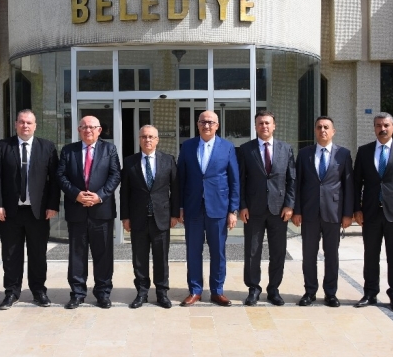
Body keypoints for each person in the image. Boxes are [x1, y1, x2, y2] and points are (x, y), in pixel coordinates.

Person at [0, 109, 60, 310]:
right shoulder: (3, 146)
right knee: (11, 254)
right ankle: (11, 292)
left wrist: (52, 205)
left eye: (29, 122)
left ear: (35, 125)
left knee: (38, 254)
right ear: (16, 124)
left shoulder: (47, 147)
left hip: (37, 212)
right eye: (21, 122)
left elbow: (54, 180)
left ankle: (38, 291)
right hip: (10, 212)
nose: (25, 126)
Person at [353, 112, 393, 312]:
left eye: (386, 125)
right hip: (370, 212)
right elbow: (356, 183)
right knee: (370, 255)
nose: (382, 129)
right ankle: (370, 293)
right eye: (378, 125)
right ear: (374, 128)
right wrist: (357, 208)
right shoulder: (364, 151)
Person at [177, 110, 239, 307]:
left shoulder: (227, 147)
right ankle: (195, 290)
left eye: (211, 122)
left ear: (217, 126)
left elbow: (234, 180)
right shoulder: (187, 146)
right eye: (203, 122)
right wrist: (180, 207)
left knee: (218, 252)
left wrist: (233, 210)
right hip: (193, 207)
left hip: (219, 208)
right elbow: (180, 179)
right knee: (193, 251)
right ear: (197, 124)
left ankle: (217, 291)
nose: (206, 125)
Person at [57, 116, 121, 309]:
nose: (88, 130)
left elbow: (115, 174)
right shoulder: (69, 150)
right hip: (77, 211)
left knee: (103, 255)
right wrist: (76, 194)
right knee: (77, 255)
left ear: (99, 130)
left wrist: (99, 196)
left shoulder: (109, 149)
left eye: (92, 127)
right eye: (84, 127)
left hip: (101, 211)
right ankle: (77, 293)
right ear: (78, 130)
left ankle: (103, 293)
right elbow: (61, 175)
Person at [292, 116, 353, 307]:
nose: (323, 130)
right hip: (309, 212)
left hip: (333, 213)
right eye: (319, 127)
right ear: (315, 131)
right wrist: (297, 210)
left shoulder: (343, 154)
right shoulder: (304, 154)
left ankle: (330, 293)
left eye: (326, 127)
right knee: (309, 255)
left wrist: (347, 214)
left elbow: (348, 186)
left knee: (331, 255)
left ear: (333, 131)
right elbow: (297, 184)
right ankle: (310, 291)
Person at [239, 110, 295, 306]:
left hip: (279, 210)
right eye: (260, 123)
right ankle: (253, 289)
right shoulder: (246, 149)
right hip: (253, 209)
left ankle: (274, 289)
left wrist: (289, 204)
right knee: (252, 251)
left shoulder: (286, 149)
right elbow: (241, 180)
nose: (264, 126)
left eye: (267, 123)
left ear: (274, 126)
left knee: (278, 252)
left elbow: (292, 179)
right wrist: (242, 206)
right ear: (255, 126)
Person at [120, 125, 180, 309]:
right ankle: (142, 293)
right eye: (144, 137)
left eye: (151, 137)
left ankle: (162, 293)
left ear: (157, 140)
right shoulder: (129, 162)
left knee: (161, 258)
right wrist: (125, 217)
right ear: (139, 139)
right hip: (138, 218)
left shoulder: (168, 160)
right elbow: (124, 192)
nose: (147, 140)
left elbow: (175, 189)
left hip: (161, 218)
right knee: (139, 258)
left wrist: (175, 214)